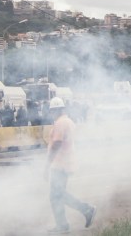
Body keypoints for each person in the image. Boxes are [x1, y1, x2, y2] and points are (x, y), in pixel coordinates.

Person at [45, 97, 96, 234]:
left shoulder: (61, 123)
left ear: (56, 110)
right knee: (58, 194)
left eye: (53, 110)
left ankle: (85, 210)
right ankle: (63, 224)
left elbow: (57, 144)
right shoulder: (68, 121)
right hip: (66, 164)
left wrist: (47, 164)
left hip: (60, 165)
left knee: (57, 194)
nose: (52, 113)